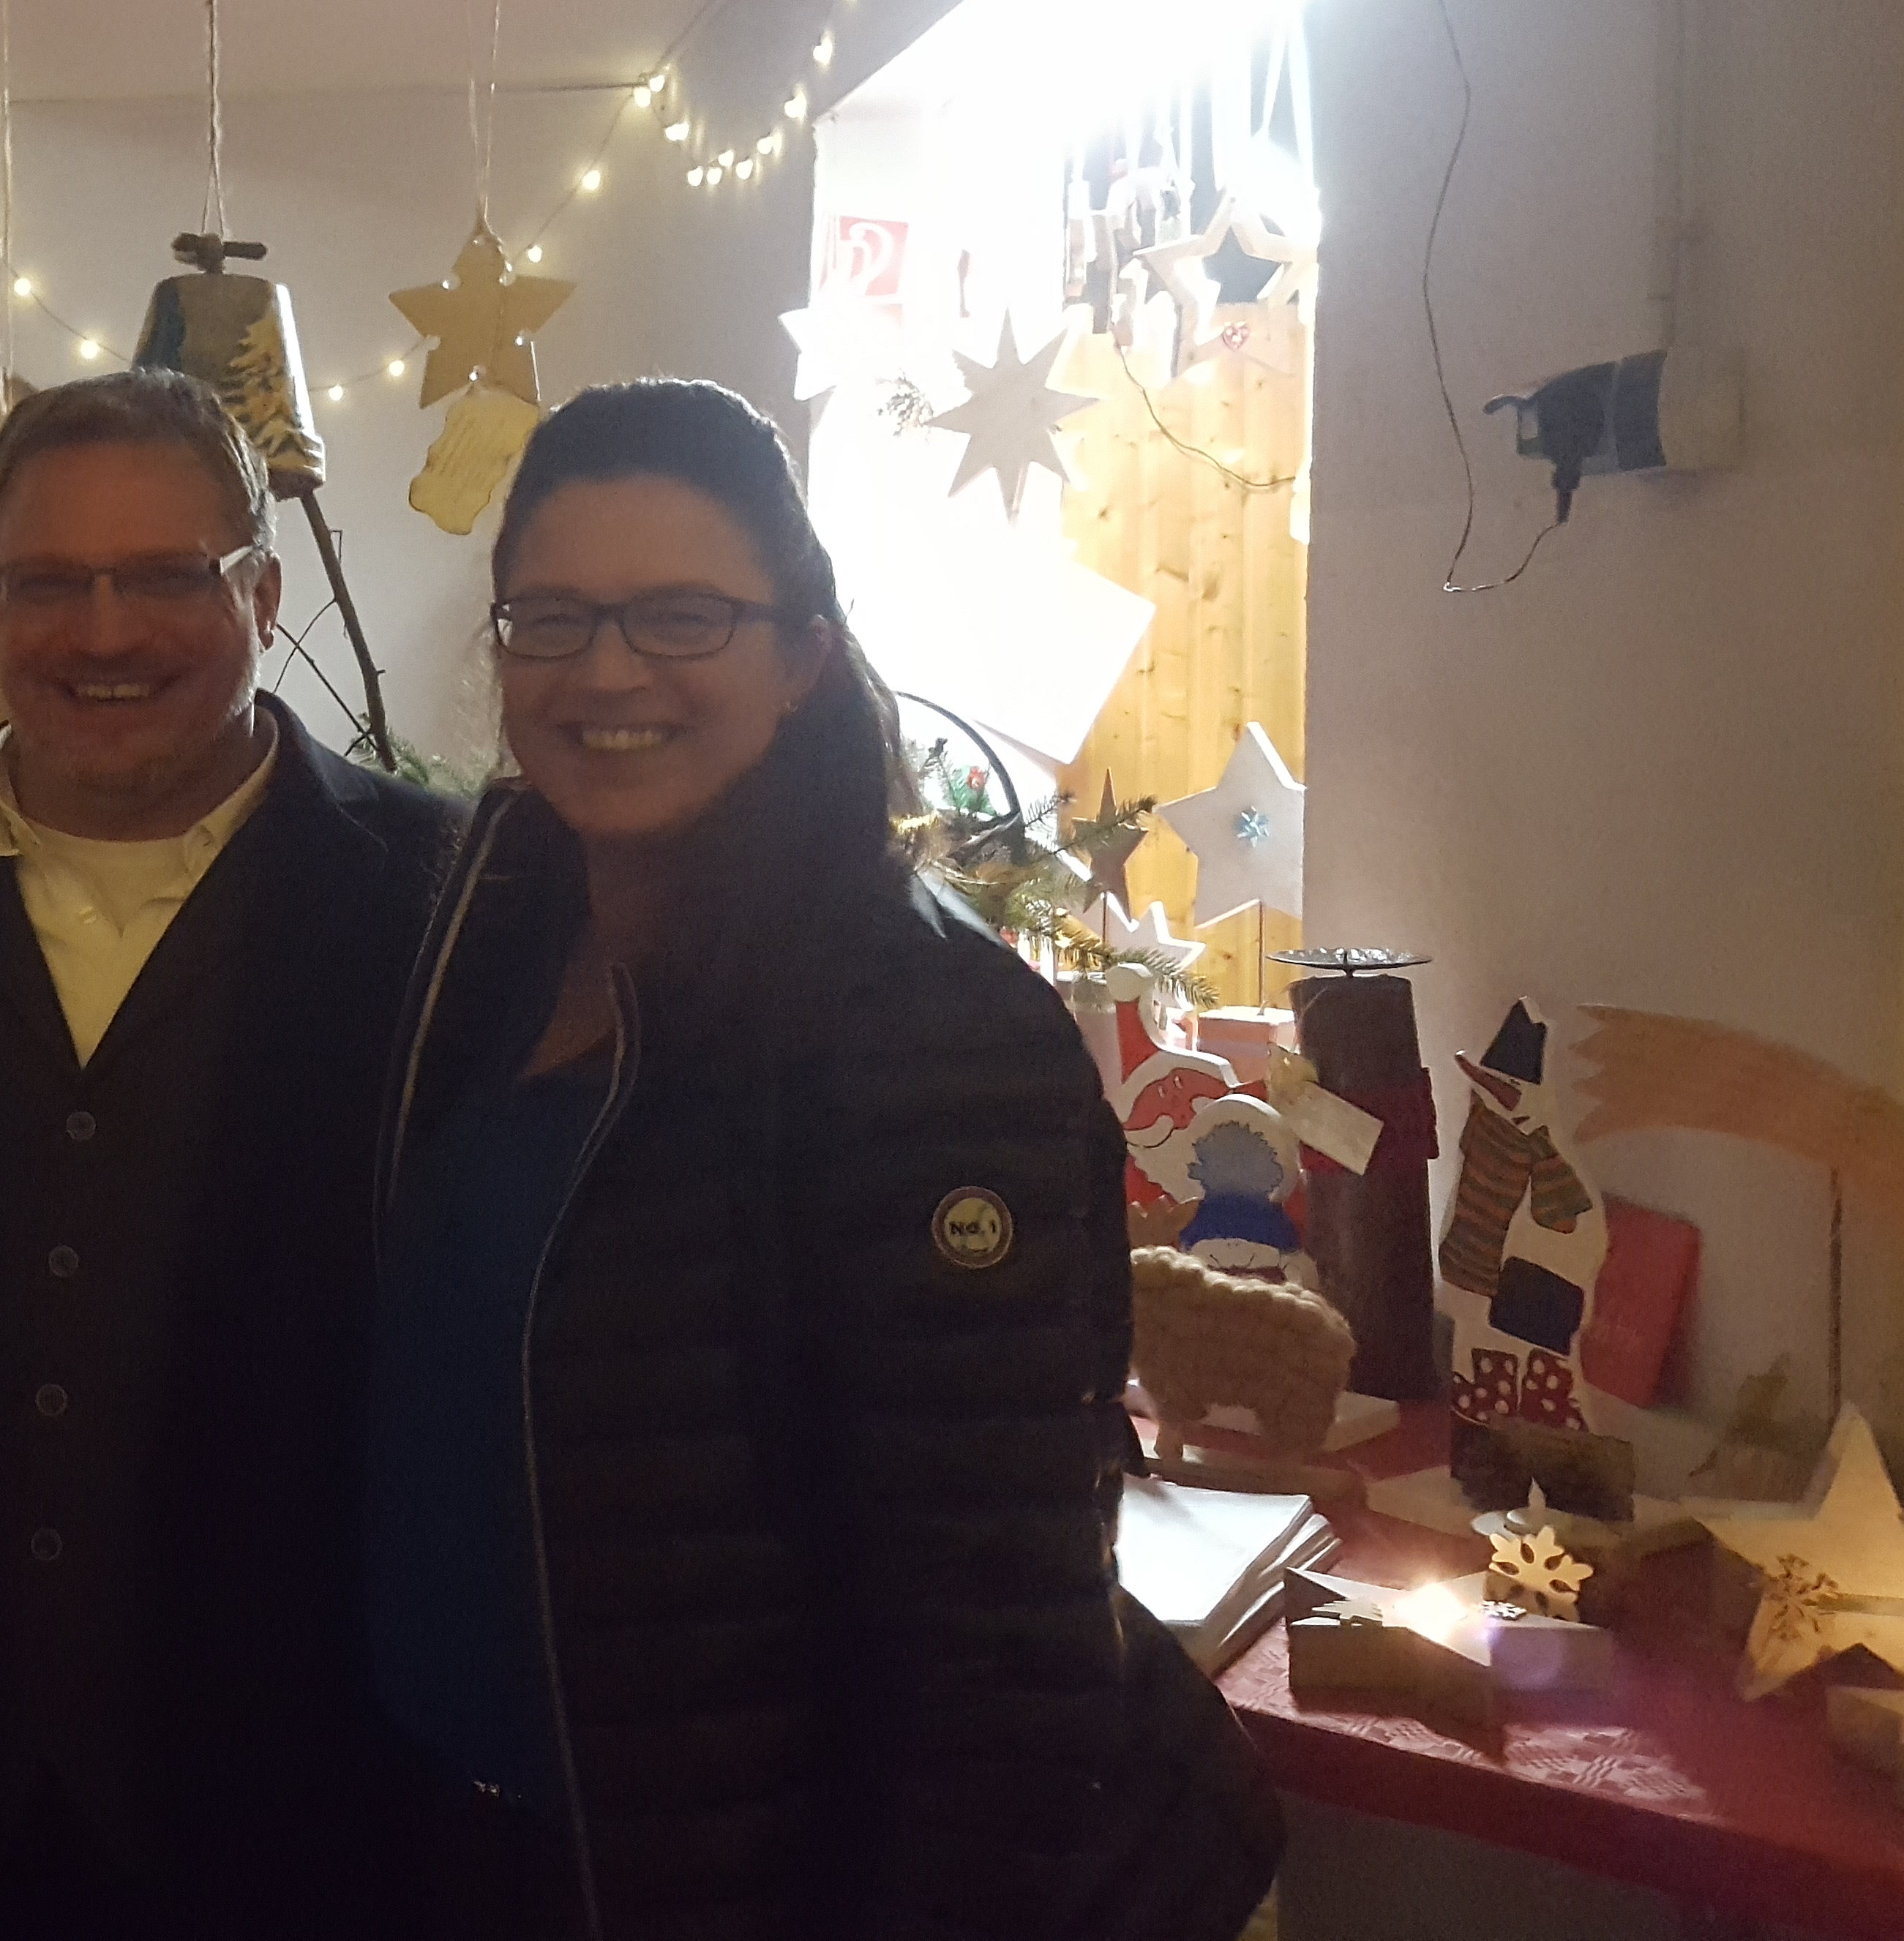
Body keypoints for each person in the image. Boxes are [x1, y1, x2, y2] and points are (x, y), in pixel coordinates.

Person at [366, 377, 1281, 1940]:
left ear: (800, 654)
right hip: (492, 1838)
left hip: (739, 1879)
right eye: (552, 620)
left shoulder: (923, 1034)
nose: (606, 670)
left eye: (681, 617)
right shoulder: (495, 930)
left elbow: (999, 1662)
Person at [0, 371, 463, 1940]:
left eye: (162, 576)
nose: (103, 633)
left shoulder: (447, 903)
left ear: (261, 596)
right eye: (48, 582)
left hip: (309, 1805)